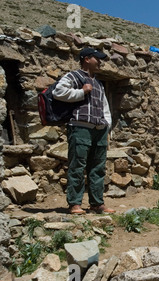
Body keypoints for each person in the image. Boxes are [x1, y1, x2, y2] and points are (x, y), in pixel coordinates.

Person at [53, 47, 115, 215]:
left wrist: (107, 125)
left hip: (99, 129)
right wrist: (81, 92)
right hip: (80, 128)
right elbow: (58, 92)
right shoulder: (73, 76)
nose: (100, 61)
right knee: (77, 166)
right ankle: (74, 203)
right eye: (97, 58)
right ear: (86, 59)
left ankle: (97, 203)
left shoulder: (99, 83)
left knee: (98, 167)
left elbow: (104, 106)